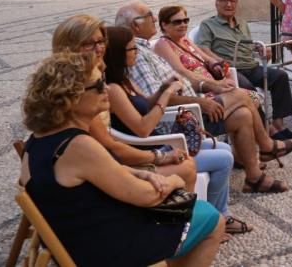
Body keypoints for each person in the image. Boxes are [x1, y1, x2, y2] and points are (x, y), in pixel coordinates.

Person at [20, 52, 224, 266]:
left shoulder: (36, 141)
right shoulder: (78, 146)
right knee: (212, 219)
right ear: (70, 99)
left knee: (187, 215)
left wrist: (139, 172)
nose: (106, 89)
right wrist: (174, 182)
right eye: (98, 85)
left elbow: (90, 175)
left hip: (79, 239)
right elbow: (146, 196)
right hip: (105, 249)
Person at [117, 1, 290, 197]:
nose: (154, 19)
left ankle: (254, 178)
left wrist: (212, 82)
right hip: (182, 118)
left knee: (242, 114)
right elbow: (158, 101)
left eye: (185, 20)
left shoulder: (145, 48)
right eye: (150, 16)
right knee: (242, 95)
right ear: (135, 25)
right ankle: (266, 145)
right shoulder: (137, 55)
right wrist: (202, 102)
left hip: (193, 105)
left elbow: (193, 68)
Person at [103, 25, 246, 240]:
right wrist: (167, 95)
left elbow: (147, 103)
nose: (136, 52)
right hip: (149, 148)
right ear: (117, 53)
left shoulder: (125, 79)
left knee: (224, 147)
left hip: (156, 143)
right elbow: (143, 128)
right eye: (132, 49)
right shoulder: (113, 89)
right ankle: (219, 218)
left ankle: (216, 215)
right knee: (224, 158)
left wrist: (162, 89)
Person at [51, 14, 197, 187]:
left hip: (111, 159)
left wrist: (163, 90)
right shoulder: (81, 90)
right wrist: (159, 156)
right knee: (188, 167)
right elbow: (112, 146)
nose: (99, 49)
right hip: (101, 170)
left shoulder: (102, 78)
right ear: (69, 47)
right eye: (89, 43)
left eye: (100, 42)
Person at [195, 0, 292, 142]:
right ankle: (266, 129)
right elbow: (203, 48)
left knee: (280, 76)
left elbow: (248, 46)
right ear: (216, 4)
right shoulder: (208, 25)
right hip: (231, 70)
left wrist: (260, 50)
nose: (228, 4)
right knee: (249, 89)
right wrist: (218, 61)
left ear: (237, 4)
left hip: (251, 66)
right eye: (224, 1)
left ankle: (279, 123)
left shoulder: (242, 23)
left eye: (232, 1)